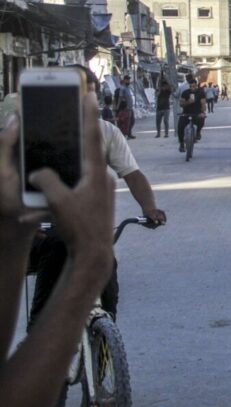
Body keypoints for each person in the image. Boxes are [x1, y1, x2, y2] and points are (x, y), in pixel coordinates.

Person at [0, 95, 115, 407]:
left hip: (36, 231)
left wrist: (15, 234)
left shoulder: (105, 135)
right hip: (50, 242)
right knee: (53, 261)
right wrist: (88, 267)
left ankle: (100, 354)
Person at [29, 66, 166, 326]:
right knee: (58, 244)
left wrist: (149, 208)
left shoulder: (106, 132)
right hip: (42, 230)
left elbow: (132, 174)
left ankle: (106, 335)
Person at [177, 76, 206, 152]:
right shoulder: (185, 93)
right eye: (191, 86)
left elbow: (203, 103)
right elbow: (181, 103)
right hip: (186, 113)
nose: (193, 88)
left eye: (194, 86)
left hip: (197, 113)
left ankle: (198, 132)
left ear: (196, 85)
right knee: (180, 126)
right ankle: (181, 143)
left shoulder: (200, 92)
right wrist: (188, 102)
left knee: (201, 121)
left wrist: (203, 112)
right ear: (189, 86)